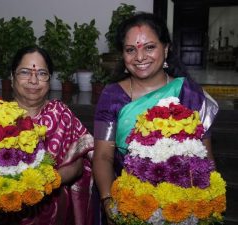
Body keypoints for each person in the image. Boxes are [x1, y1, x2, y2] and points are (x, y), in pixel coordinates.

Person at [92, 12, 219, 225]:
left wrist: (207, 202)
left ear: (166, 49)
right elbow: (104, 156)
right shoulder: (112, 96)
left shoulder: (190, 95)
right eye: (130, 50)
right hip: (129, 204)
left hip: (182, 205)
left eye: (149, 47)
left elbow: (206, 159)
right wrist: (108, 202)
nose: (140, 57)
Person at [0, 45, 94, 225]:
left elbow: (79, 164)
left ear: (49, 79)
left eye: (42, 73)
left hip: (55, 214)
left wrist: (40, 186)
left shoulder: (61, 113)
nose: (33, 80)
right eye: (25, 72)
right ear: (12, 77)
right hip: (4, 215)